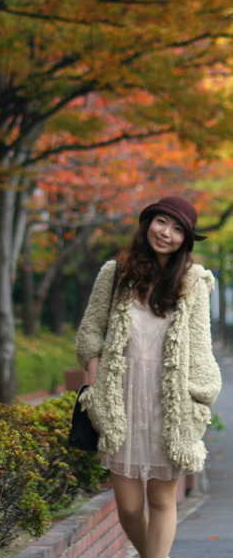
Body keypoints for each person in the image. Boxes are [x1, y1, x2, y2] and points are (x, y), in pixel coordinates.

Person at [75, 196, 222, 558]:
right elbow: (91, 331)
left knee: (161, 499)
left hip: (167, 402)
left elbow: (200, 347)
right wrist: (94, 385)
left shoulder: (192, 282)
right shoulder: (116, 273)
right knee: (127, 506)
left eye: (177, 230)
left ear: (185, 240)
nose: (166, 233)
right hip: (120, 397)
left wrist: (198, 399)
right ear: (148, 223)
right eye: (161, 223)